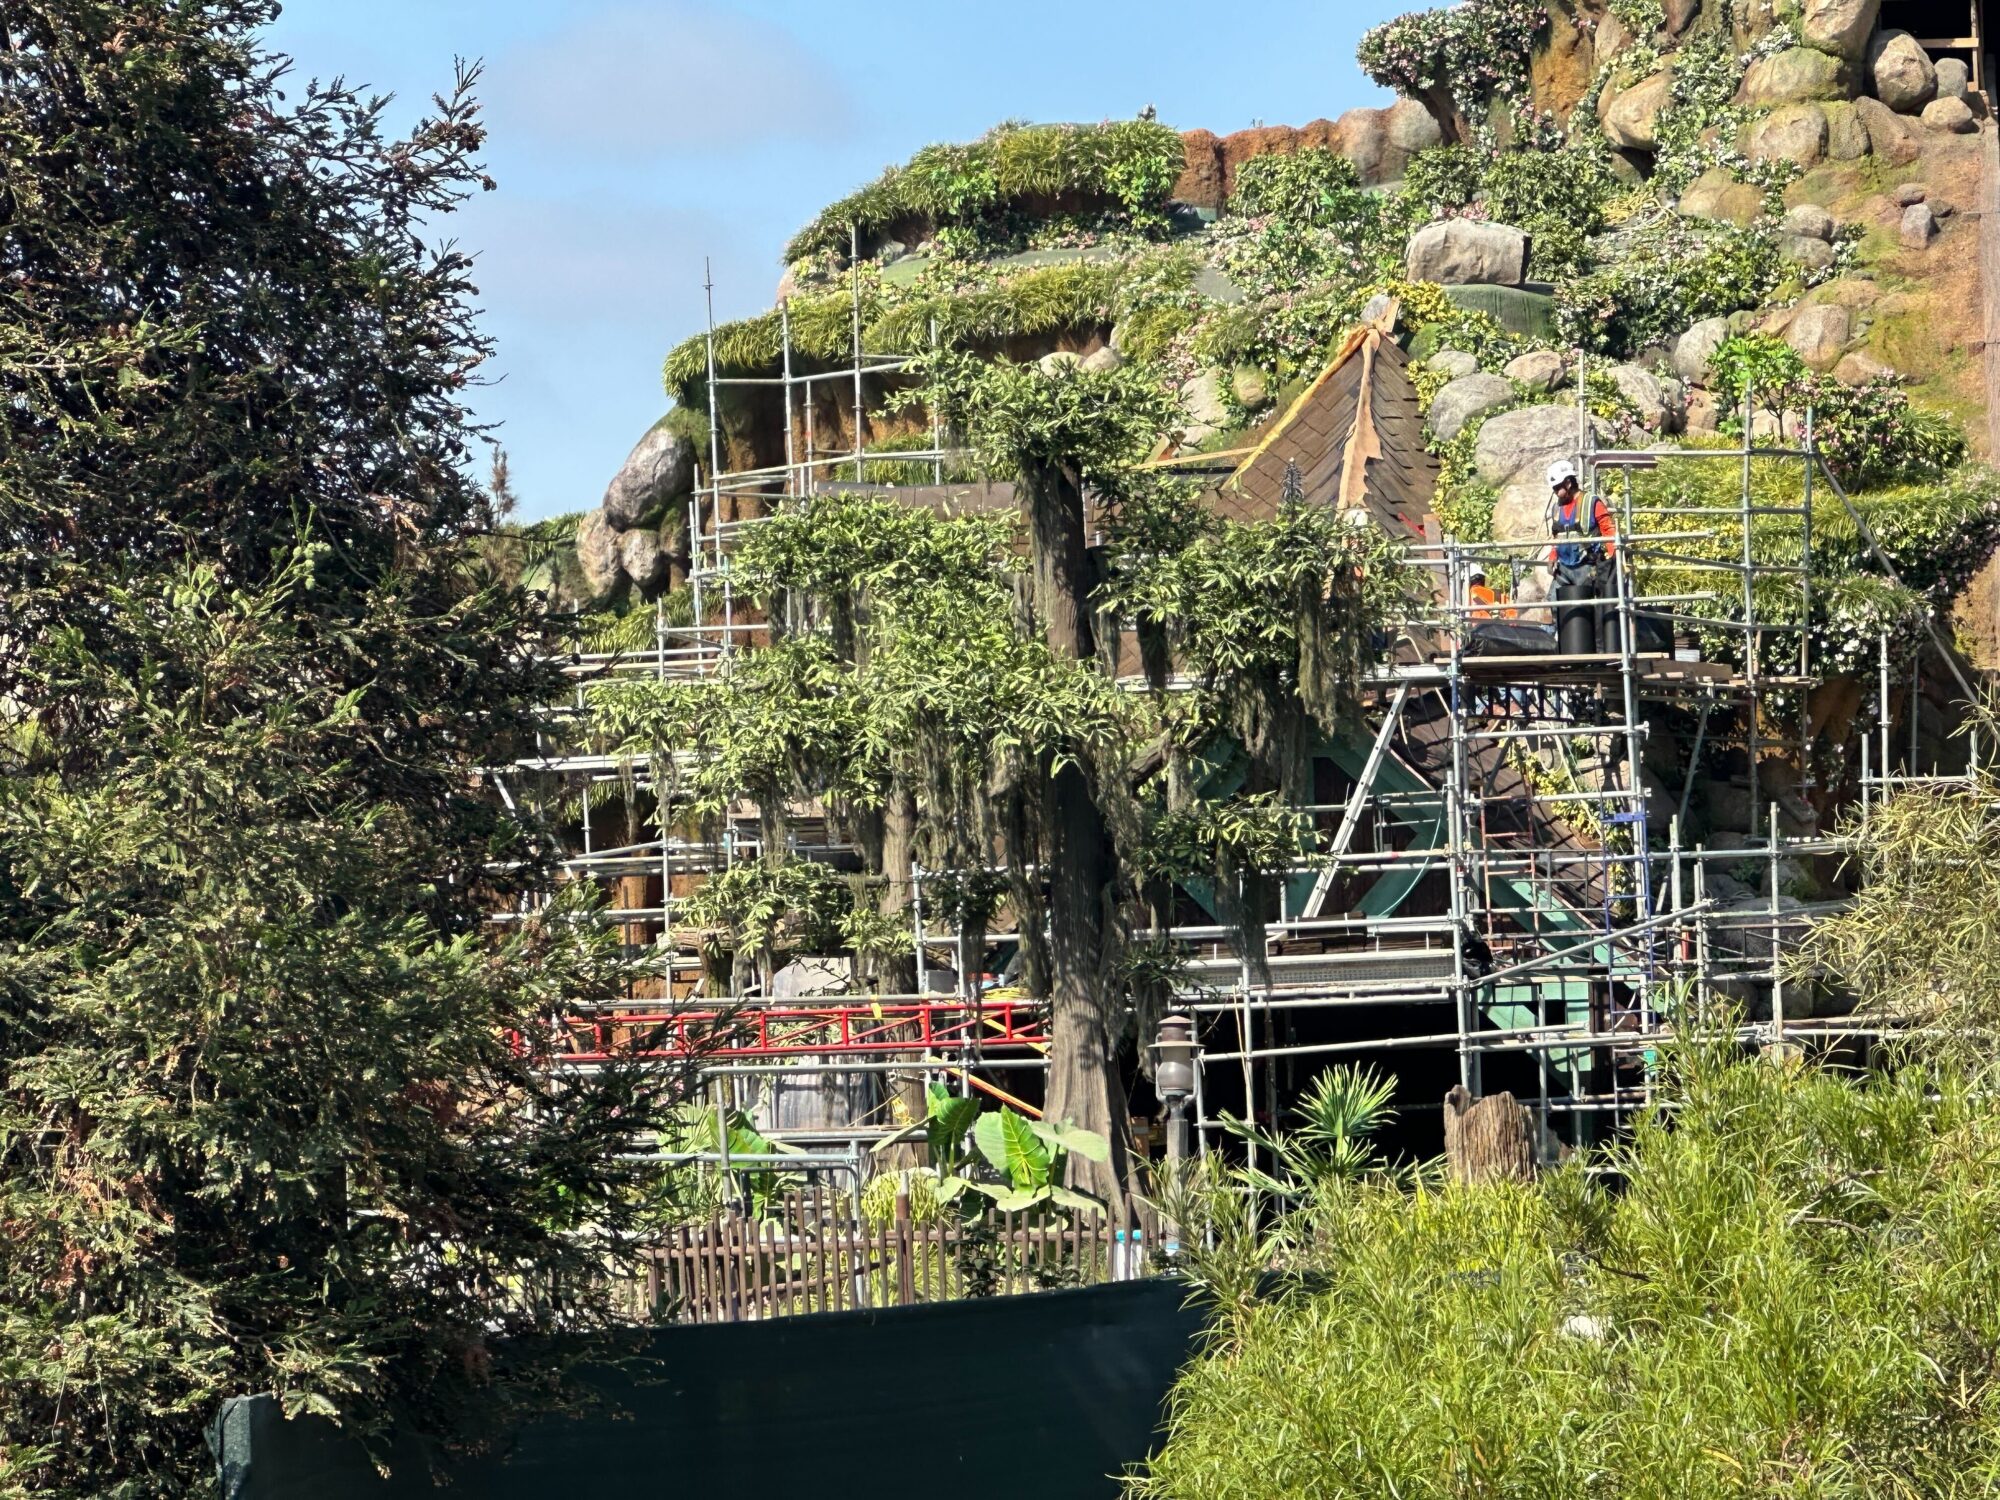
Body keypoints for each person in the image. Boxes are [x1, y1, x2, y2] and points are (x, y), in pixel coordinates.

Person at [1543, 459, 1617, 594]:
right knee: (1555, 604)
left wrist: (1615, 556)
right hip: (1563, 569)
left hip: (1587, 567)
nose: (1554, 491)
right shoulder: (1556, 508)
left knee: (1586, 608)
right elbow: (1556, 537)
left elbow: (1608, 529)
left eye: (1557, 487)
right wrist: (1552, 557)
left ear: (1568, 483)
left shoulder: (1591, 502)